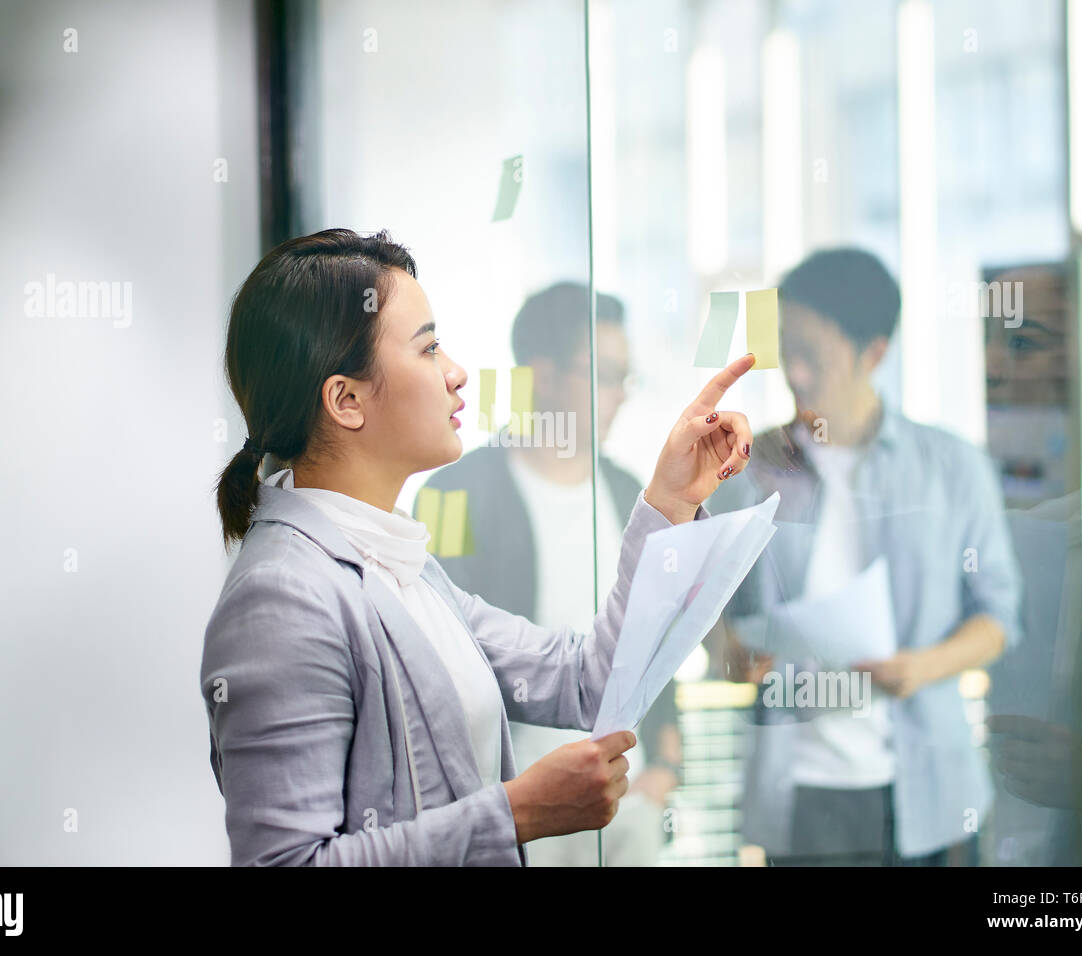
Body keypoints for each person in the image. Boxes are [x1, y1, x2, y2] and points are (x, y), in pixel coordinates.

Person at [200, 228, 758, 865]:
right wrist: (515, 813)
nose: (457, 374)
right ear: (345, 400)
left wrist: (670, 499)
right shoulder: (281, 595)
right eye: (429, 348)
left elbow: (589, 681)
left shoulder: (403, 568)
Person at [707, 247, 1023, 866]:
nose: (794, 373)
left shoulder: (951, 469)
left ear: (873, 352)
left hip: (927, 790)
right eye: (786, 351)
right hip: (802, 794)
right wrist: (731, 655)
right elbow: (711, 615)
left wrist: (924, 666)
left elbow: (999, 616)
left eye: (813, 356)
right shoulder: (750, 470)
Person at [423, 282, 683, 866]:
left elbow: (654, 635)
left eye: (625, 377)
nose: (619, 394)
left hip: (623, 806)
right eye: (606, 374)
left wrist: (664, 769)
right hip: (517, 804)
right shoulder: (457, 492)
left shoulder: (628, 491)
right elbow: (440, 653)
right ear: (543, 373)